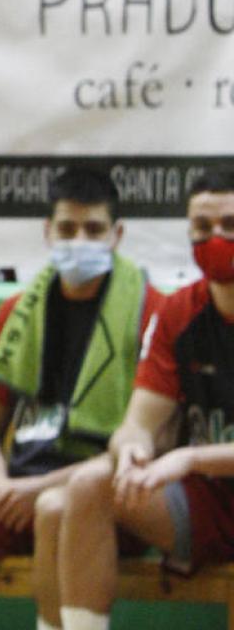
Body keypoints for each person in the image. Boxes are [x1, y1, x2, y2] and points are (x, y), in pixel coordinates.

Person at [0, 166, 161, 630]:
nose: (79, 241)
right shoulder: (18, 310)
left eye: (93, 230)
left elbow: (150, 441)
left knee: (54, 508)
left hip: (102, 495)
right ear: (48, 231)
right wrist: (2, 486)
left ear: (117, 235)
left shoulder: (151, 312)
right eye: (67, 228)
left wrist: (36, 491)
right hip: (15, 487)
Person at [51, 169, 234, 630]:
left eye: (230, 225)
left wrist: (191, 458)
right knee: (90, 485)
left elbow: (188, 459)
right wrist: (132, 449)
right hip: (209, 504)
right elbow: (137, 423)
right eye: (202, 228)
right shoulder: (179, 313)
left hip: (202, 473)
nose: (216, 239)